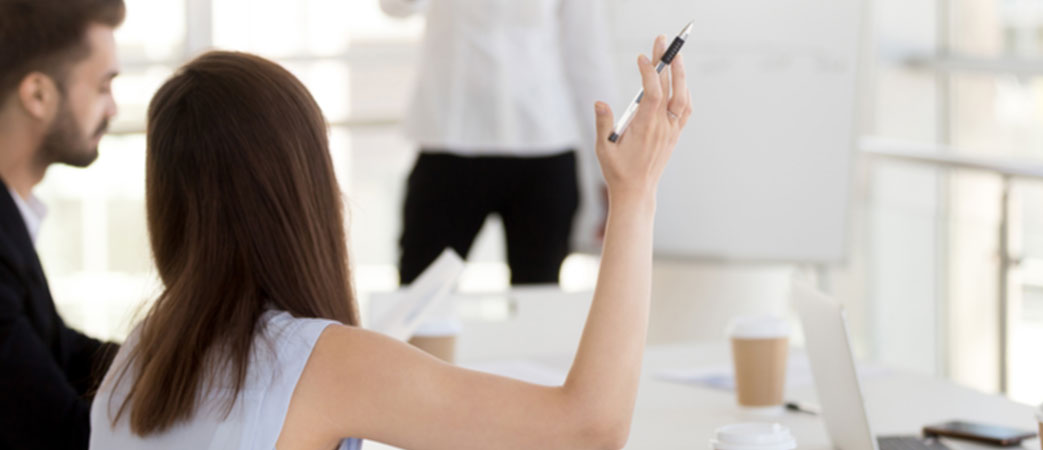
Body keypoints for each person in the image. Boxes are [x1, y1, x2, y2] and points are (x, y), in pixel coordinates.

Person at [89, 36, 690, 448]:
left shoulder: (135, 364)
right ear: (307, 191)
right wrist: (634, 196)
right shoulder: (318, 360)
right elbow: (590, 430)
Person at [380, 0, 617, 286]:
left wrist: (609, 172)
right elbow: (394, 7)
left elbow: (587, 57)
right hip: (448, 145)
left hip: (543, 145)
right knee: (420, 295)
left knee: (538, 299)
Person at [0, 0, 125, 448]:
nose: (113, 108)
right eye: (103, 86)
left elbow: (62, 350)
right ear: (37, 95)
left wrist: (186, 364)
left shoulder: (12, 219)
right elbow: (64, 436)